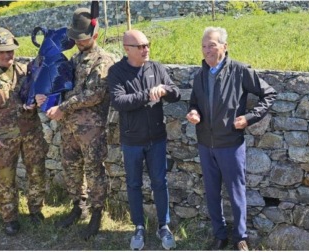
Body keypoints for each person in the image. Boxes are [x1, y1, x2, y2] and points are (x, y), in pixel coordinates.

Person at [186, 27, 277, 251]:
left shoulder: (239, 71)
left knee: (236, 192)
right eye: (204, 46)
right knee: (212, 192)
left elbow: (269, 94)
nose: (207, 50)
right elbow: (194, 103)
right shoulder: (200, 75)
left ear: (224, 47)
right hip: (206, 144)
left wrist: (249, 117)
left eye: (212, 45)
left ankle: (240, 237)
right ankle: (220, 235)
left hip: (231, 144)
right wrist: (193, 113)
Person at [36, 7, 115, 240]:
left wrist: (63, 107)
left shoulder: (103, 60)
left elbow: (94, 95)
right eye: (76, 39)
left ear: (95, 35)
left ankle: (97, 214)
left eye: (83, 39)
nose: (79, 43)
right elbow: (64, 87)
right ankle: (77, 207)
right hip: (70, 127)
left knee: (93, 171)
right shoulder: (75, 58)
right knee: (70, 167)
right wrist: (47, 97)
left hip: (91, 129)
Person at [0, 27, 48, 236]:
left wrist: (40, 102)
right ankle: (10, 218)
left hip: (31, 132)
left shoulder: (26, 71)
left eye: (10, 50)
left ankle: (36, 210)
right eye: (2, 51)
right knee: (6, 179)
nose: (7, 55)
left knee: (37, 173)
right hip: (3, 139)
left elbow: (41, 95)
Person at [108, 29, 180, 250]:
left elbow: (176, 93)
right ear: (127, 49)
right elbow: (119, 102)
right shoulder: (117, 71)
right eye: (140, 46)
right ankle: (138, 226)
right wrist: (148, 94)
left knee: (160, 183)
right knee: (134, 184)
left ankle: (164, 226)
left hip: (156, 138)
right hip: (132, 141)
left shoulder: (156, 67)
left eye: (147, 44)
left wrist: (164, 89)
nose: (146, 49)